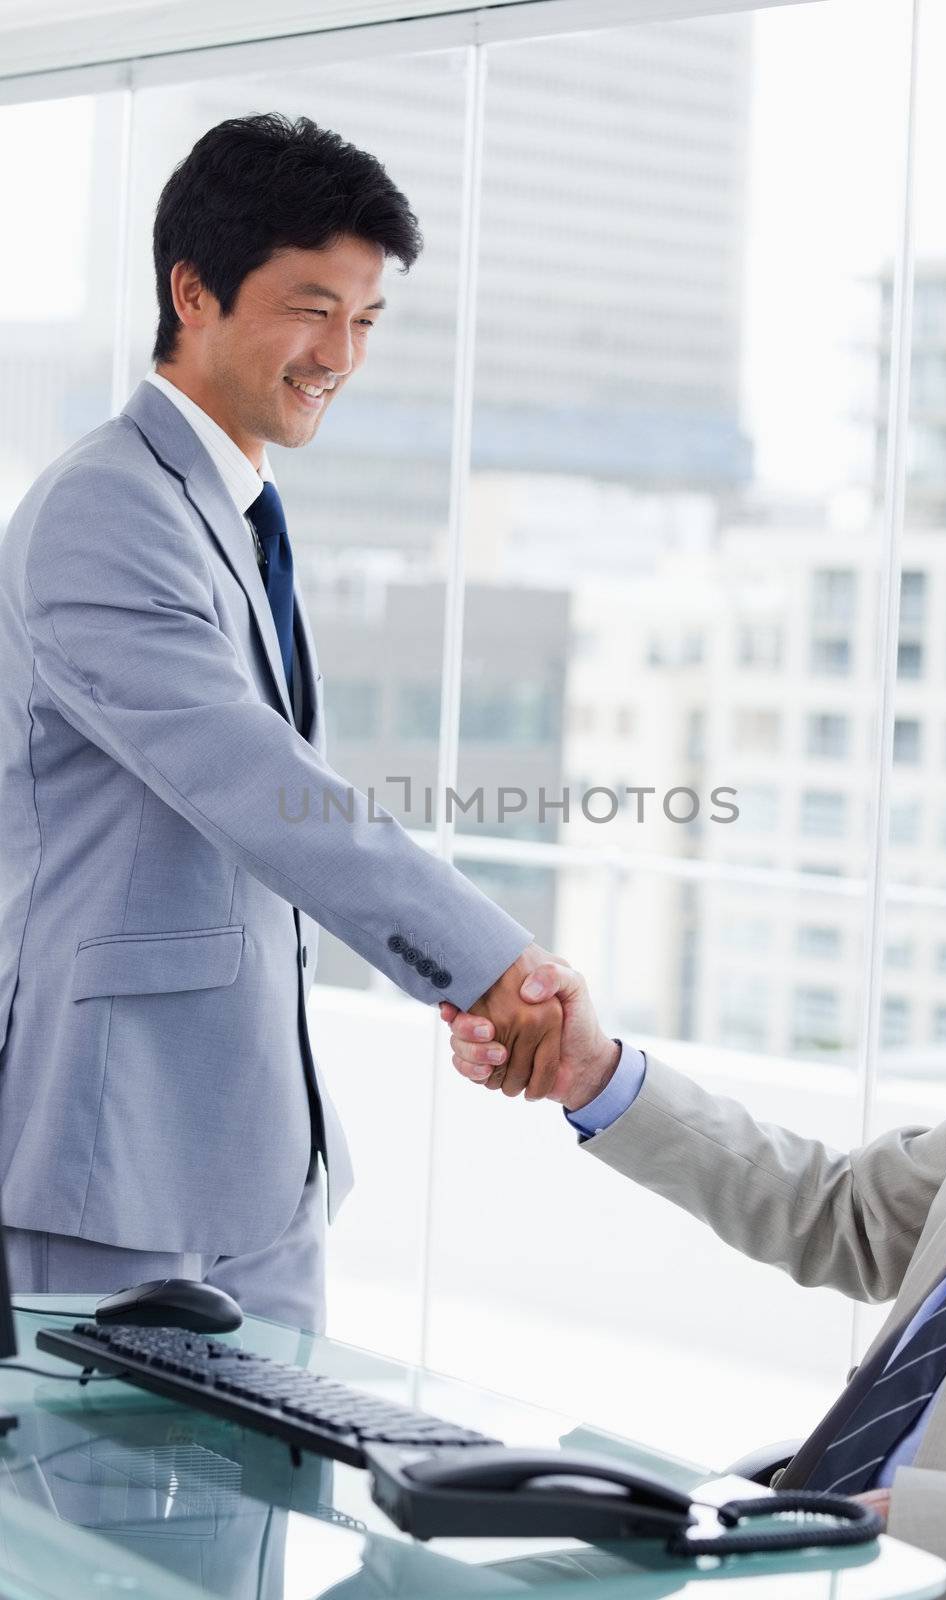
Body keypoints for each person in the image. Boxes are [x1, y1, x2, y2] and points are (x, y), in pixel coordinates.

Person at [0, 112, 563, 1333]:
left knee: (267, 1504)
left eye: (365, 319)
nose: (341, 354)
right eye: (312, 308)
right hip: (112, 1154)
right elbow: (260, 785)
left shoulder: (231, 503)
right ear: (191, 292)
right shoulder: (104, 508)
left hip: (250, 1148)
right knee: (81, 1517)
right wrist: (490, 964)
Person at [441, 960, 946, 1596]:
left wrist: (914, 1526)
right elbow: (847, 1215)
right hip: (794, 1535)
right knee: (442, 1579)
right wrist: (596, 1074)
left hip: (916, 1571)